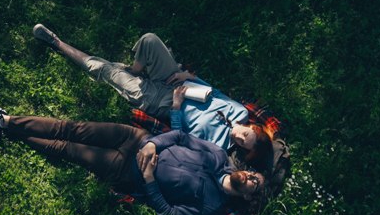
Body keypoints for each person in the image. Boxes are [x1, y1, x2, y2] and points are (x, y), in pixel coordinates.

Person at [31, 24, 288, 199]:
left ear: (241, 151)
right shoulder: (239, 111)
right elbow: (216, 93)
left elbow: (179, 138)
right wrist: (190, 77)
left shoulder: (217, 147)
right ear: (252, 126)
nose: (241, 135)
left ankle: (56, 42)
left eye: (243, 143)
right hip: (176, 80)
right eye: (248, 132)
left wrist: (176, 106)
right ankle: (134, 70)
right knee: (150, 39)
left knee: (106, 72)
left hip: (162, 102)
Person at [0, 99, 265, 215]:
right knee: (71, 128)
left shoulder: (212, 207)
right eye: (254, 175)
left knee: (67, 149)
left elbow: (171, 213)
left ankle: (7, 132)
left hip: (129, 172)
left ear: (247, 197)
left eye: (254, 185)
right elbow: (181, 137)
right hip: (136, 139)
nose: (251, 179)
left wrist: (149, 179)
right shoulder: (218, 155)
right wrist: (152, 142)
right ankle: (4, 120)